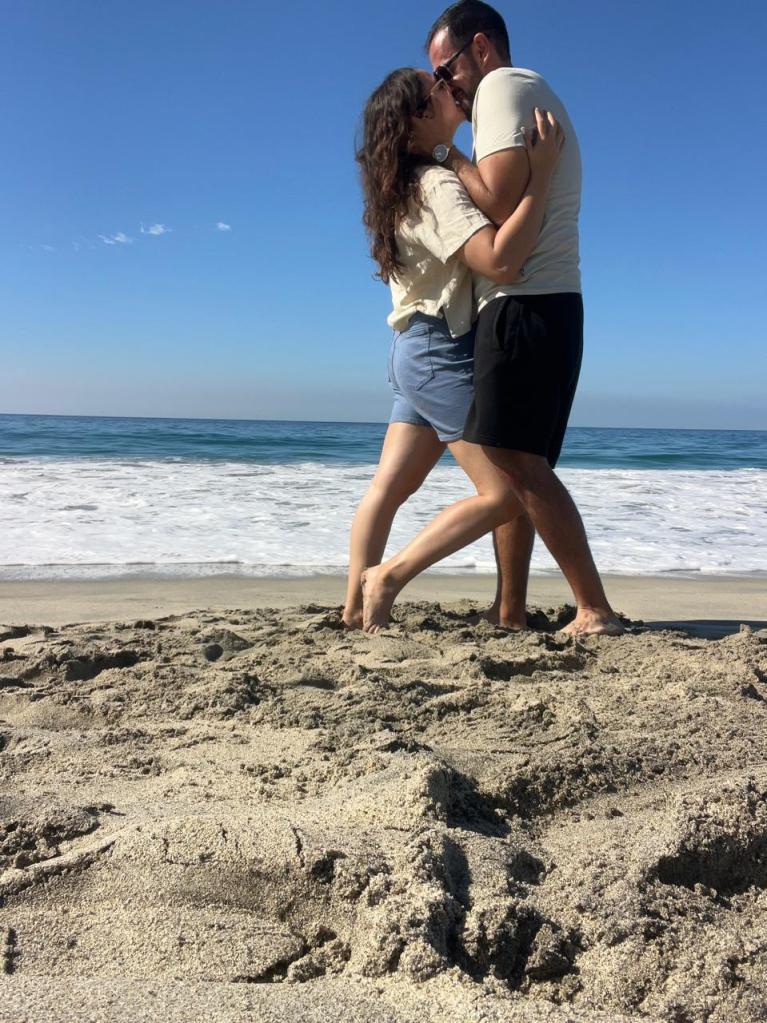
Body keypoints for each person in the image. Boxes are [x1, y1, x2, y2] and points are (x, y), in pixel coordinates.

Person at [360, 1, 624, 636]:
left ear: (481, 49)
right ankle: (510, 612)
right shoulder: (510, 98)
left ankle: (589, 607)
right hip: (535, 306)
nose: (446, 86)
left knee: (515, 471)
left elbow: (501, 207)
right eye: (436, 84)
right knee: (518, 467)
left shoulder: (503, 85)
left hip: (523, 305)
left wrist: (452, 156)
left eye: (445, 71)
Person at [342, 67, 563, 630]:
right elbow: (499, 261)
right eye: (437, 87)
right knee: (512, 489)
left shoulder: (404, 187)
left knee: (386, 489)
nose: (450, 87)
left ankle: (351, 611)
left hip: (411, 350)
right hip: (441, 352)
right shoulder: (436, 185)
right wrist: (541, 178)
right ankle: (388, 576)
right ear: (420, 114)